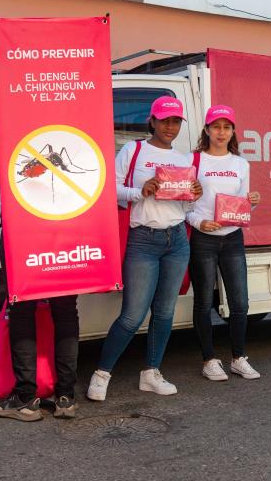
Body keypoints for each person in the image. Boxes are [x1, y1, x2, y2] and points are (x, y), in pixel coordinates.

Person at [87, 96, 203, 400]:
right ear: (151, 121)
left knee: (164, 313)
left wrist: (194, 194)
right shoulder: (133, 150)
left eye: (176, 121)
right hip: (143, 240)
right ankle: (102, 374)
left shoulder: (184, 160)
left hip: (177, 240)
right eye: (164, 120)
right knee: (132, 315)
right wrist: (141, 191)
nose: (170, 126)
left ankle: (151, 372)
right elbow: (108, 188)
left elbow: (187, 205)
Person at [0, 117, 80, 421]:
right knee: (65, 310)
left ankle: (26, 397)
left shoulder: (9, 98)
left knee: (23, 307)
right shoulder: (72, 94)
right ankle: (65, 396)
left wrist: (9, 210)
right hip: (67, 218)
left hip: (21, 220)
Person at [185, 105, 261, 381]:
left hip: (232, 239)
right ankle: (209, 360)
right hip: (203, 239)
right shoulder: (193, 161)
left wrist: (251, 203)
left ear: (233, 132)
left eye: (226, 127)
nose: (221, 132)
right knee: (204, 302)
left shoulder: (240, 164)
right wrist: (198, 223)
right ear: (206, 130)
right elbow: (182, 204)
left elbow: (242, 209)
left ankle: (238, 358)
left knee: (240, 303)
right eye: (216, 127)